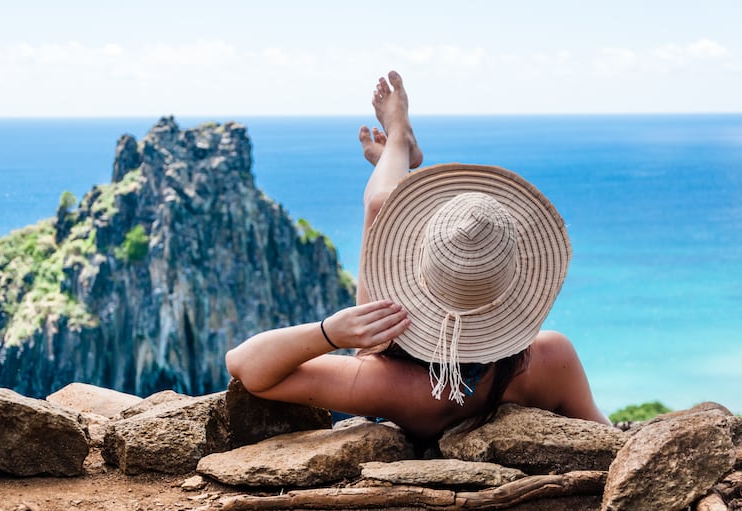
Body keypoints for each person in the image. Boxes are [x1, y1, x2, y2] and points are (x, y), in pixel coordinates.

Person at [224, 71, 610, 440]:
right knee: (382, 206)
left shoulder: (386, 383)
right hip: (460, 382)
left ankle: (399, 142)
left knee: (379, 207)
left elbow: (245, 365)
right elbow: (603, 435)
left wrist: (331, 332)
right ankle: (401, 143)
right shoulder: (550, 357)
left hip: (405, 376)